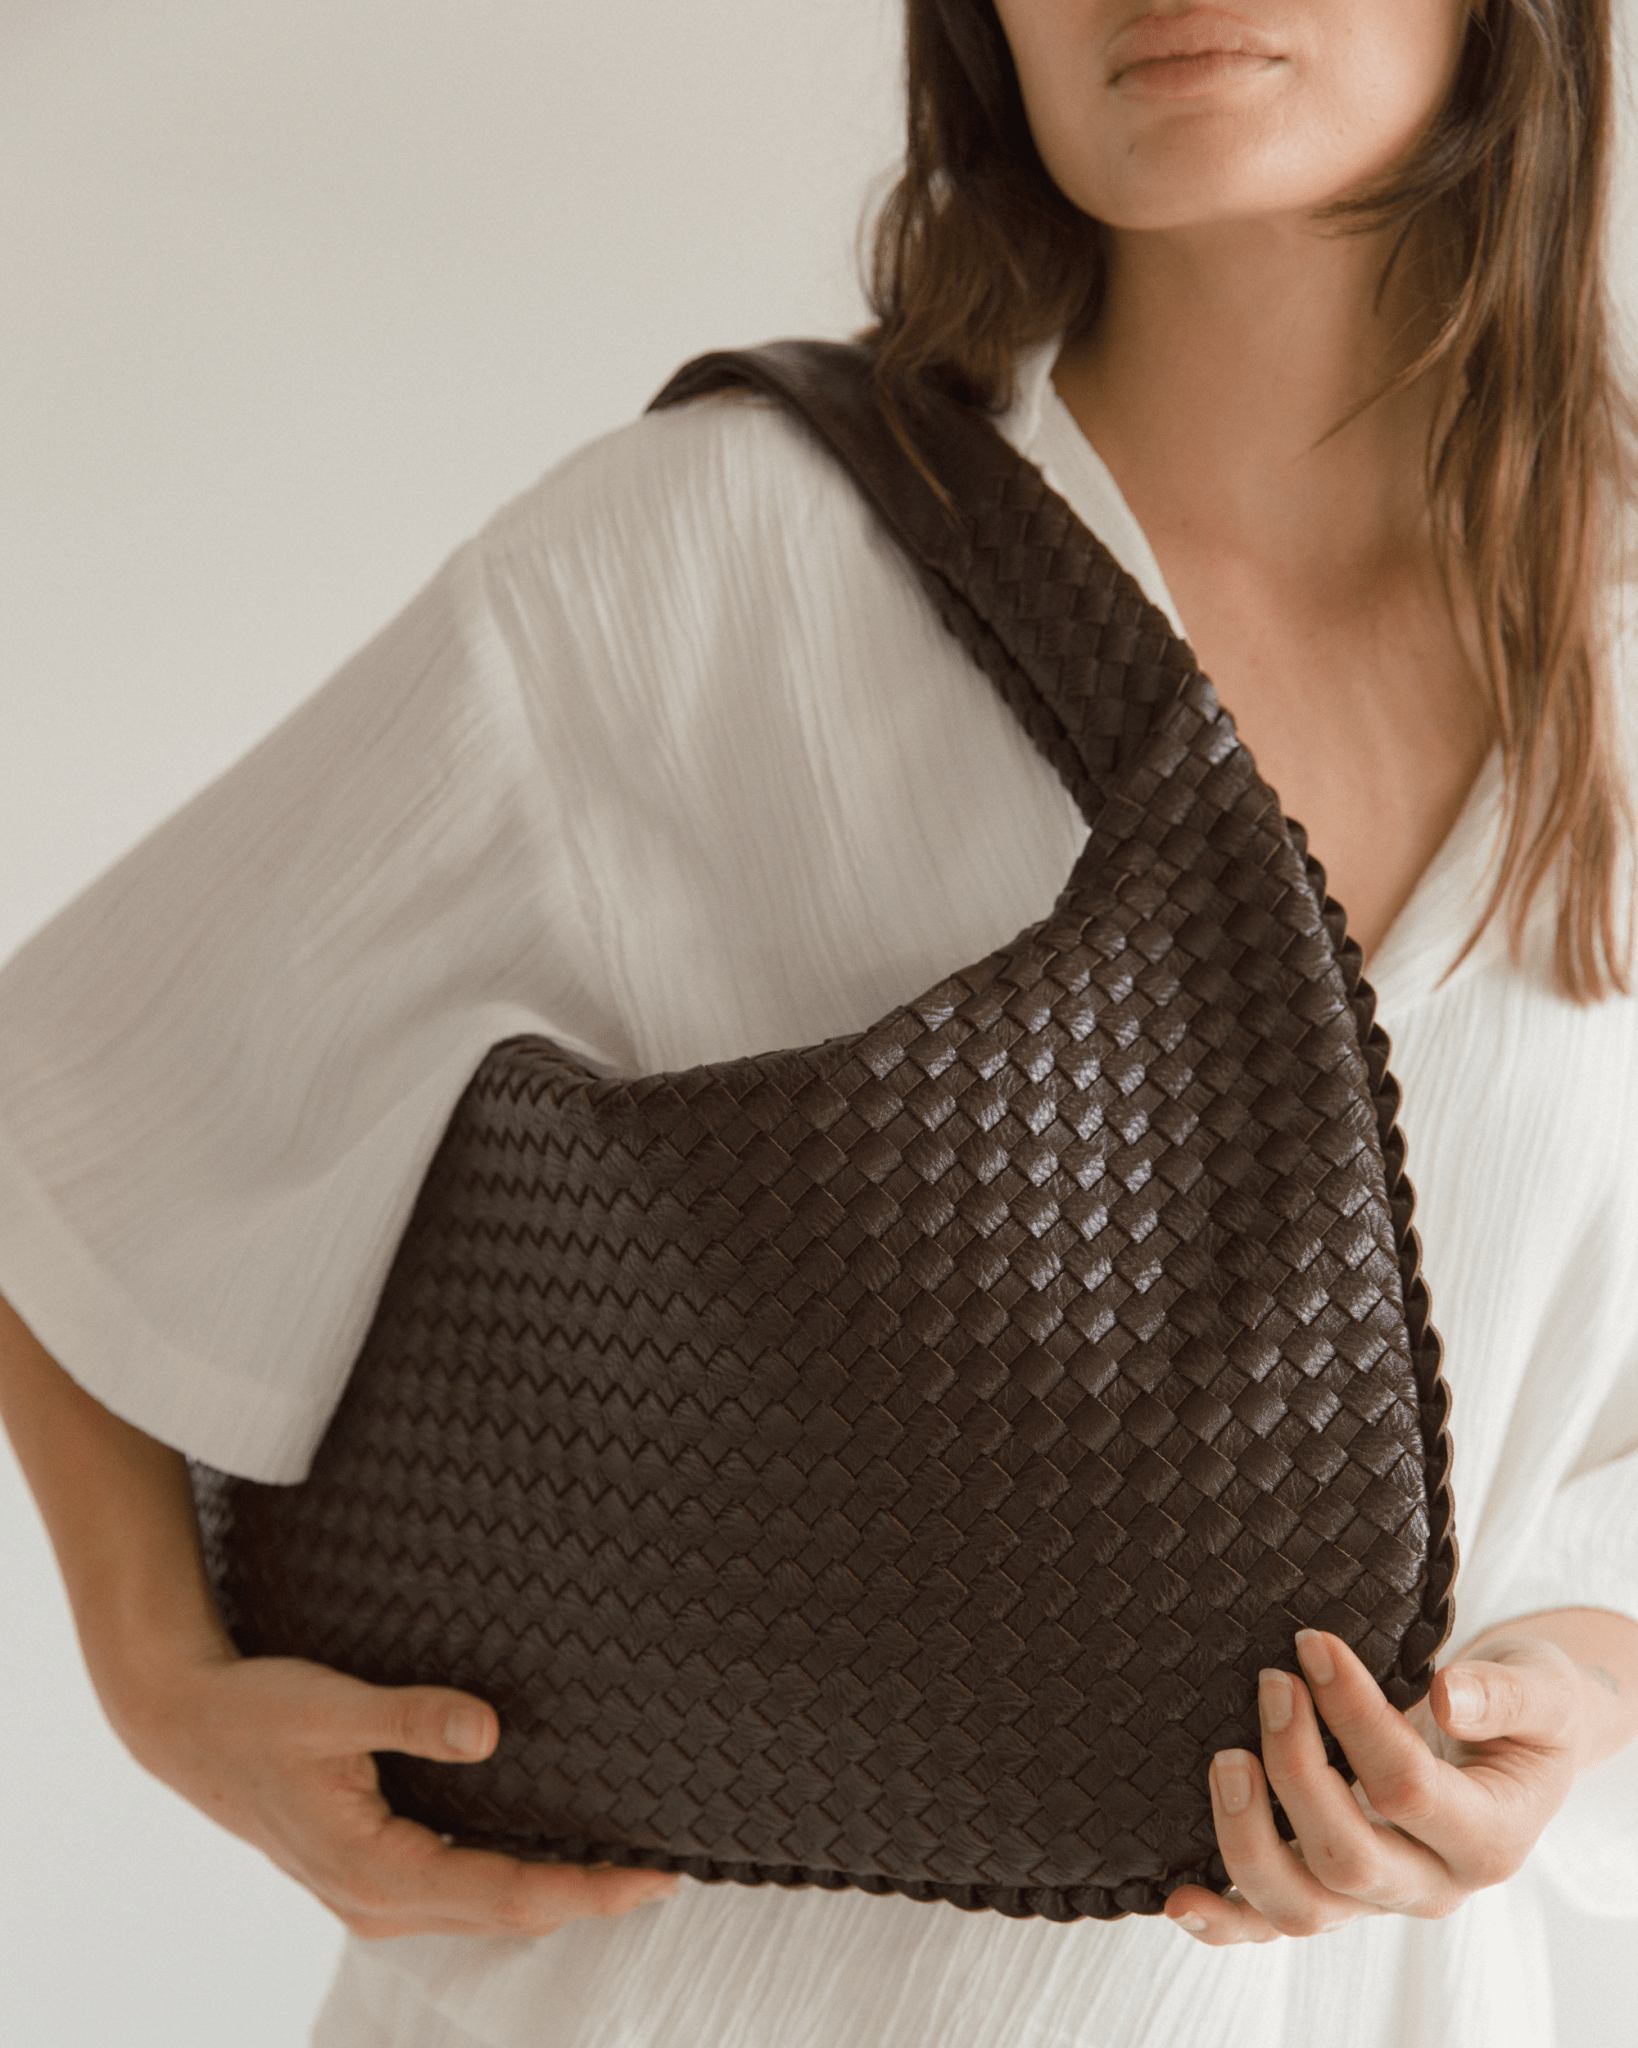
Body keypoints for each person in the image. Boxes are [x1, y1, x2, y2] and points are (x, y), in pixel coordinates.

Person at [3, 0, 1638, 2042]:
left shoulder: (1612, 646)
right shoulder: (717, 555)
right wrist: (157, 1679)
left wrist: (1568, 1693)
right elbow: (60, 1105)